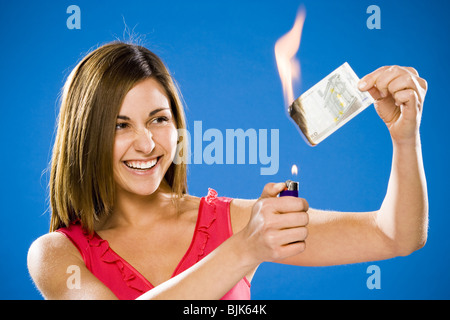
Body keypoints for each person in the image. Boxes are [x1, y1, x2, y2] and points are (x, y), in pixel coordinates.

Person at [27, 41, 428, 300]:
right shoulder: (57, 256)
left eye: (158, 120)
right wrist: (244, 249)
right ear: (84, 134)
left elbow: (395, 236)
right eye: (120, 125)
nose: (147, 144)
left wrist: (404, 139)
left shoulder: (235, 220)